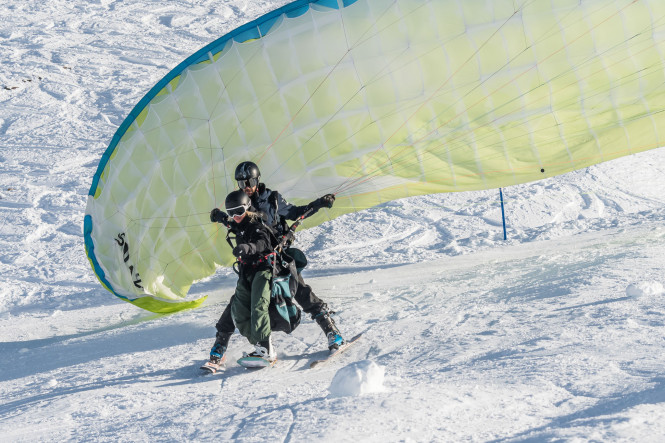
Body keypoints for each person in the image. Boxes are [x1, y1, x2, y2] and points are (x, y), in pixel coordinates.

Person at [207, 161, 344, 366]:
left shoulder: (272, 199)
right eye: (241, 182)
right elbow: (236, 223)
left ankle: (332, 332)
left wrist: (318, 204)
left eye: (249, 181)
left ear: (257, 179)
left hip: (277, 256)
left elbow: (295, 213)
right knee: (238, 301)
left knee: (299, 290)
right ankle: (220, 345)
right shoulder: (241, 203)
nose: (245, 185)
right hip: (253, 261)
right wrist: (220, 217)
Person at [213, 189, 279, 361]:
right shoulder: (238, 223)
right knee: (239, 310)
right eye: (231, 213)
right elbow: (230, 223)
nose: (236, 216)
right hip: (246, 272)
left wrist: (247, 248)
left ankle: (266, 347)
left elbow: (263, 242)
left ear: (247, 208)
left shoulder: (257, 223)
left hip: (262, 270)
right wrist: (219, 216)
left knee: (258, 305)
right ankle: (259, 345)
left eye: (239, 211)